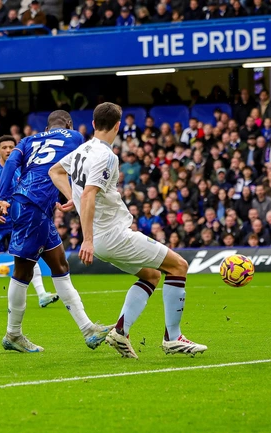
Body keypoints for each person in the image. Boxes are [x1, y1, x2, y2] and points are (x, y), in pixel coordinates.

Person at [49, 102, 207, 359]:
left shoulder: (82, 150)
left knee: (152, 276)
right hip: (112, 235)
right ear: (118, 126)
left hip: (103, 239)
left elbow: (55, 171)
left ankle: (120, 332)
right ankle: (173, 338)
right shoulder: (106, 155)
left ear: (92, 124)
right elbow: (89, 193)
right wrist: (85, 237)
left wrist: (72, 198)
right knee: (178, 266)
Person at [0, 110, 110, 353]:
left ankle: (88, 330)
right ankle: (13, 334)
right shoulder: (74, 136)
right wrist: (74, 197)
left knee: (60, 265)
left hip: (30, 205)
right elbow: (81, 171)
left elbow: (11, 164)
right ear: (68, 124)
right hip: (32, 206)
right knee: (23, 271)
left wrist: (4, 196)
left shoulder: (27, 140)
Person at [0, 136, 59, 309]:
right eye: (4, 147)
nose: (8, 150)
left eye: (11, 146)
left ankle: (42, 295)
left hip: (18, 219)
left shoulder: (21, 169)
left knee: (28, 255)